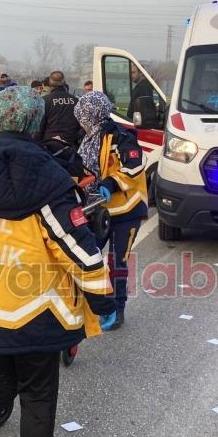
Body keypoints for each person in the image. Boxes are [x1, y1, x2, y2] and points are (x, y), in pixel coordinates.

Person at [0, 87, 116, 437]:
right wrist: (102, 295)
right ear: (38, 123)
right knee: (37, 398)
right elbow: (74, 245)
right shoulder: (48, 179)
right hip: (34, 311)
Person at [74, 91, 147, 330]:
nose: (82, 123)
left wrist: (110, 183)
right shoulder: (87, 140)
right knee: (91, 257)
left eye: (83, 118)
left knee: (117, 261)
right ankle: (97, 304)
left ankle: (117, 308)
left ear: (92, 115)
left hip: (126, 209)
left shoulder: (120, 137)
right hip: (97, 211)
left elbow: (134, 165)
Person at [34, 70, 82, 149]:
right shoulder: (75, 101)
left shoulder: (44, 101)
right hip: (71, 145)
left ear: (50, 83)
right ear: (64, 82)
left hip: (50, 146)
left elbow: (39, 127)